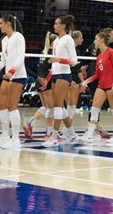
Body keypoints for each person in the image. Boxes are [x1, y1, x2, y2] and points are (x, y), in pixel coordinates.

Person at [0, 15, 27, 149]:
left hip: (18, 76)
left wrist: (11, 71)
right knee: (2, 105)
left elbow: (21, 58)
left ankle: (15, 139)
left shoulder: (19, 37)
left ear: (8, 24)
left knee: (12, 106)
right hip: (8, 76)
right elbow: (3, 61)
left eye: (1, 23)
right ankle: (4, 136)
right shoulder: (5, 40)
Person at [42, 15, 78, 147]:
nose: (54, 26)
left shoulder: (68, 39)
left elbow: (74, 61)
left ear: (63, 26)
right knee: (60, 108)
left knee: (57, 106)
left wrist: (60, 60)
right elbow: (54, 62)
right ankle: (72, 134)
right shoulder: (56, 40)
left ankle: (54, 137)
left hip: (64, 74)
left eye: (56, 24)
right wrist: (47, 78)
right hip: (55, 74)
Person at [80, 32, 113, 143]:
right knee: (94, 109)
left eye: (96, 39)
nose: (94, 41)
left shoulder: (111, 52)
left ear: (102, 40)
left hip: (112, 86)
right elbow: (97, 75)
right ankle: (89, 134)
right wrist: (85, 82)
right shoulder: (98, 56)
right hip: (101, 85)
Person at [23, 32, 57, 139]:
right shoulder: (53, 52)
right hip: (46, 82)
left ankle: (30, 124)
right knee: (50, 109)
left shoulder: (44, 51)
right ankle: (49, 133)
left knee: (46, 107)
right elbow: (52, 70)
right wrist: (46, 81)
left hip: (39, 81)